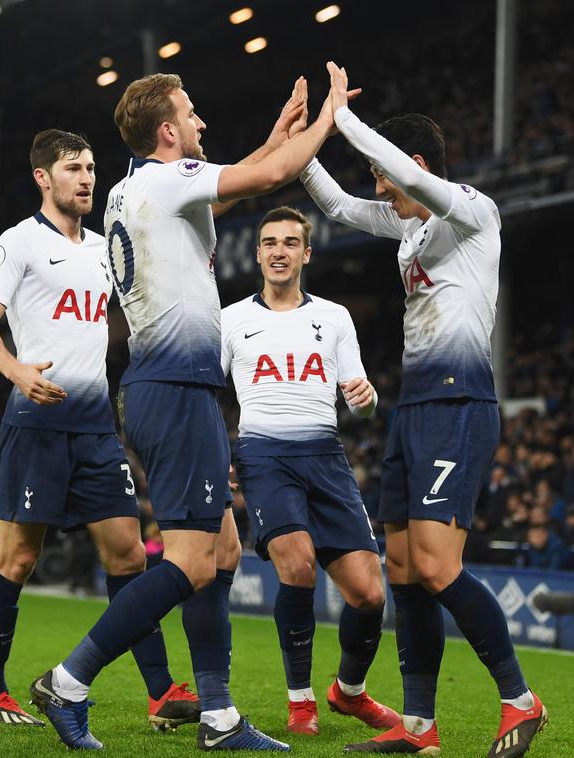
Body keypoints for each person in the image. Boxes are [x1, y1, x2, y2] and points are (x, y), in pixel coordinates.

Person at [31, 70, 351, 751]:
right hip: (177, 388)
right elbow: (267, 179)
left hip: (161, 385)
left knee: (223, 546)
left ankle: (217, 713)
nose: (202, 123)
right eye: (193, 114)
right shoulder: (164, 182)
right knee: (192, 562)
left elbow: (244, 179)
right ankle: (70, 680)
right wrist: (330, 119)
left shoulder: (133, 192)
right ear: (168, 132)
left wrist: (279, 135)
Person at [301, 63, 546, 757]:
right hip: (414, 408)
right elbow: (342, 208)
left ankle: (520, 701)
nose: (382, 192)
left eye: (388, 178)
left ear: (412, 167)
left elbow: (390, 177)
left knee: (438, 566)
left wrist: (344, 119)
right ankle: (419, 727)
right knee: (404, 569)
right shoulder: (410, 231)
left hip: (460, 403)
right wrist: (306, 143)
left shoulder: (470, 211)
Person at [0, 129, 198, 730]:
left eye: (92, 167)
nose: (87, 177)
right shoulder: (17, 243)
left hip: (97, 425)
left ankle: (161, 694)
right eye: (73, 168)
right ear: (43, 177)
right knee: (17, 559)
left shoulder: (104, 249)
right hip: (37, 423)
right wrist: (18, 371)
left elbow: (118, 322)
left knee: (128, 553)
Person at [221, 206, 398, 736]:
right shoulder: (231, 319)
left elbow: (360, 401)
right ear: (258, 254)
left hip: (326, 456)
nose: (279, 251)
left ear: (306, 253)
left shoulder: (336, 317)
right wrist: (220, 454)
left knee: (370, 594)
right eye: (269, 242)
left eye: (289, 242)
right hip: (264, 457)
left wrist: (365, 400)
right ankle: (300, 703)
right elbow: (208, 394)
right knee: (296, 565)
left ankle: (348, 693)